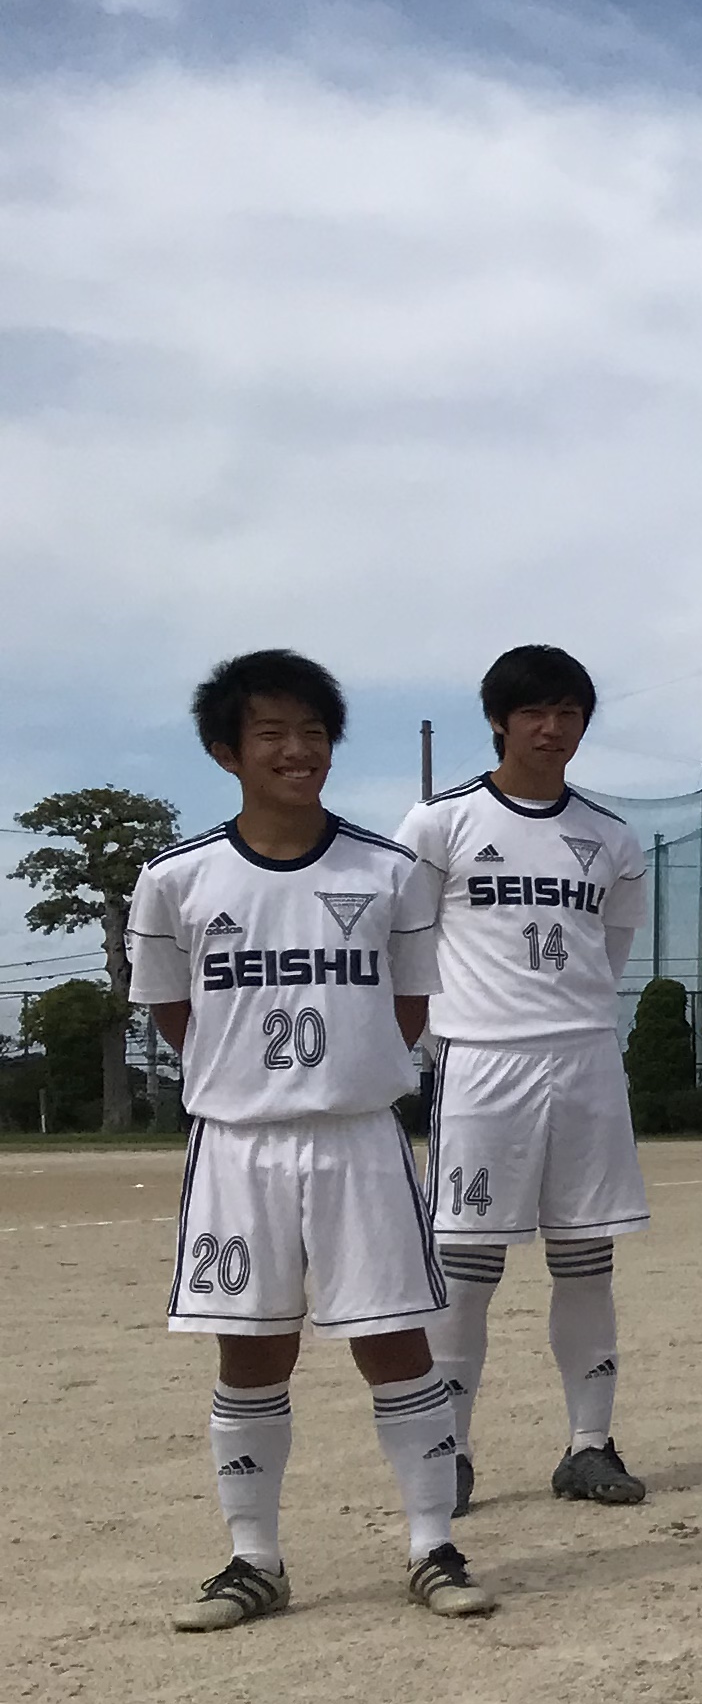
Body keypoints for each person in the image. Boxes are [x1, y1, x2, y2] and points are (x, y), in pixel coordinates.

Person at [130, 651, 494, 1627]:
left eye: (314, 732)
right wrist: (249, 1079)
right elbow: (173, 1014)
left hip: (359, 1138)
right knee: (251, 1350)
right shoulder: (174, 880)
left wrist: (343, 1074)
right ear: (227, 752)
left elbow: (409, 1006)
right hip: (237, 1145)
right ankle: (253, 1559)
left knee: (395, 1341)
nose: (298, 750)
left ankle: (433, 1544)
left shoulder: (389, 871)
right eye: (272, 734)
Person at [399, 646, 651, 1511]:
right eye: (533, 712)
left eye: (568, 713)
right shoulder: (439, 824)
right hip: (481, 1063)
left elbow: (608, 951)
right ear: (499, 721)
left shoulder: (611, 838)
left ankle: (590, 1445)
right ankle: (450, 1452)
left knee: (586, 1260)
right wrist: (433, 1041)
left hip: (584, 1061)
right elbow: (407, 944)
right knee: (465, 1266)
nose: (551, 728)